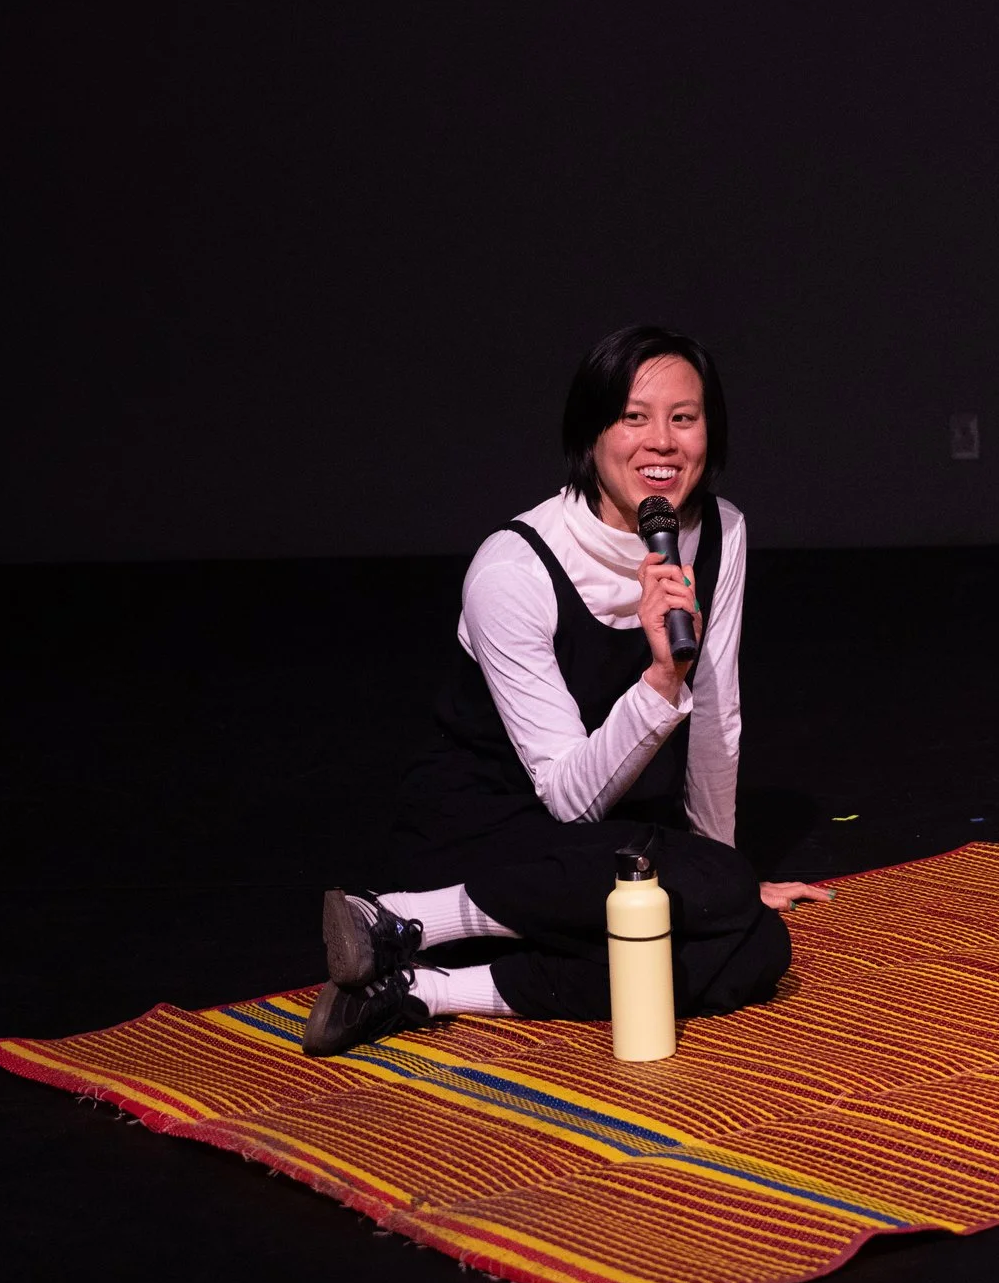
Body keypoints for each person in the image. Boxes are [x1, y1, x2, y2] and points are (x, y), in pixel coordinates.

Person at [304, 325, 830, 1058]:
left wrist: (720, 870)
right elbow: (567, 797)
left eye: (685, 417)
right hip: (491, 832)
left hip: (603, 841)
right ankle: (404, 915)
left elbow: (716, 715)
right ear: (591, 432)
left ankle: (421, 987)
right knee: (689, 904)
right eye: (634, 417)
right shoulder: (512, 567)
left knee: (755, 950)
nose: (663, 443)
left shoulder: (722, 532)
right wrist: (659, 678)